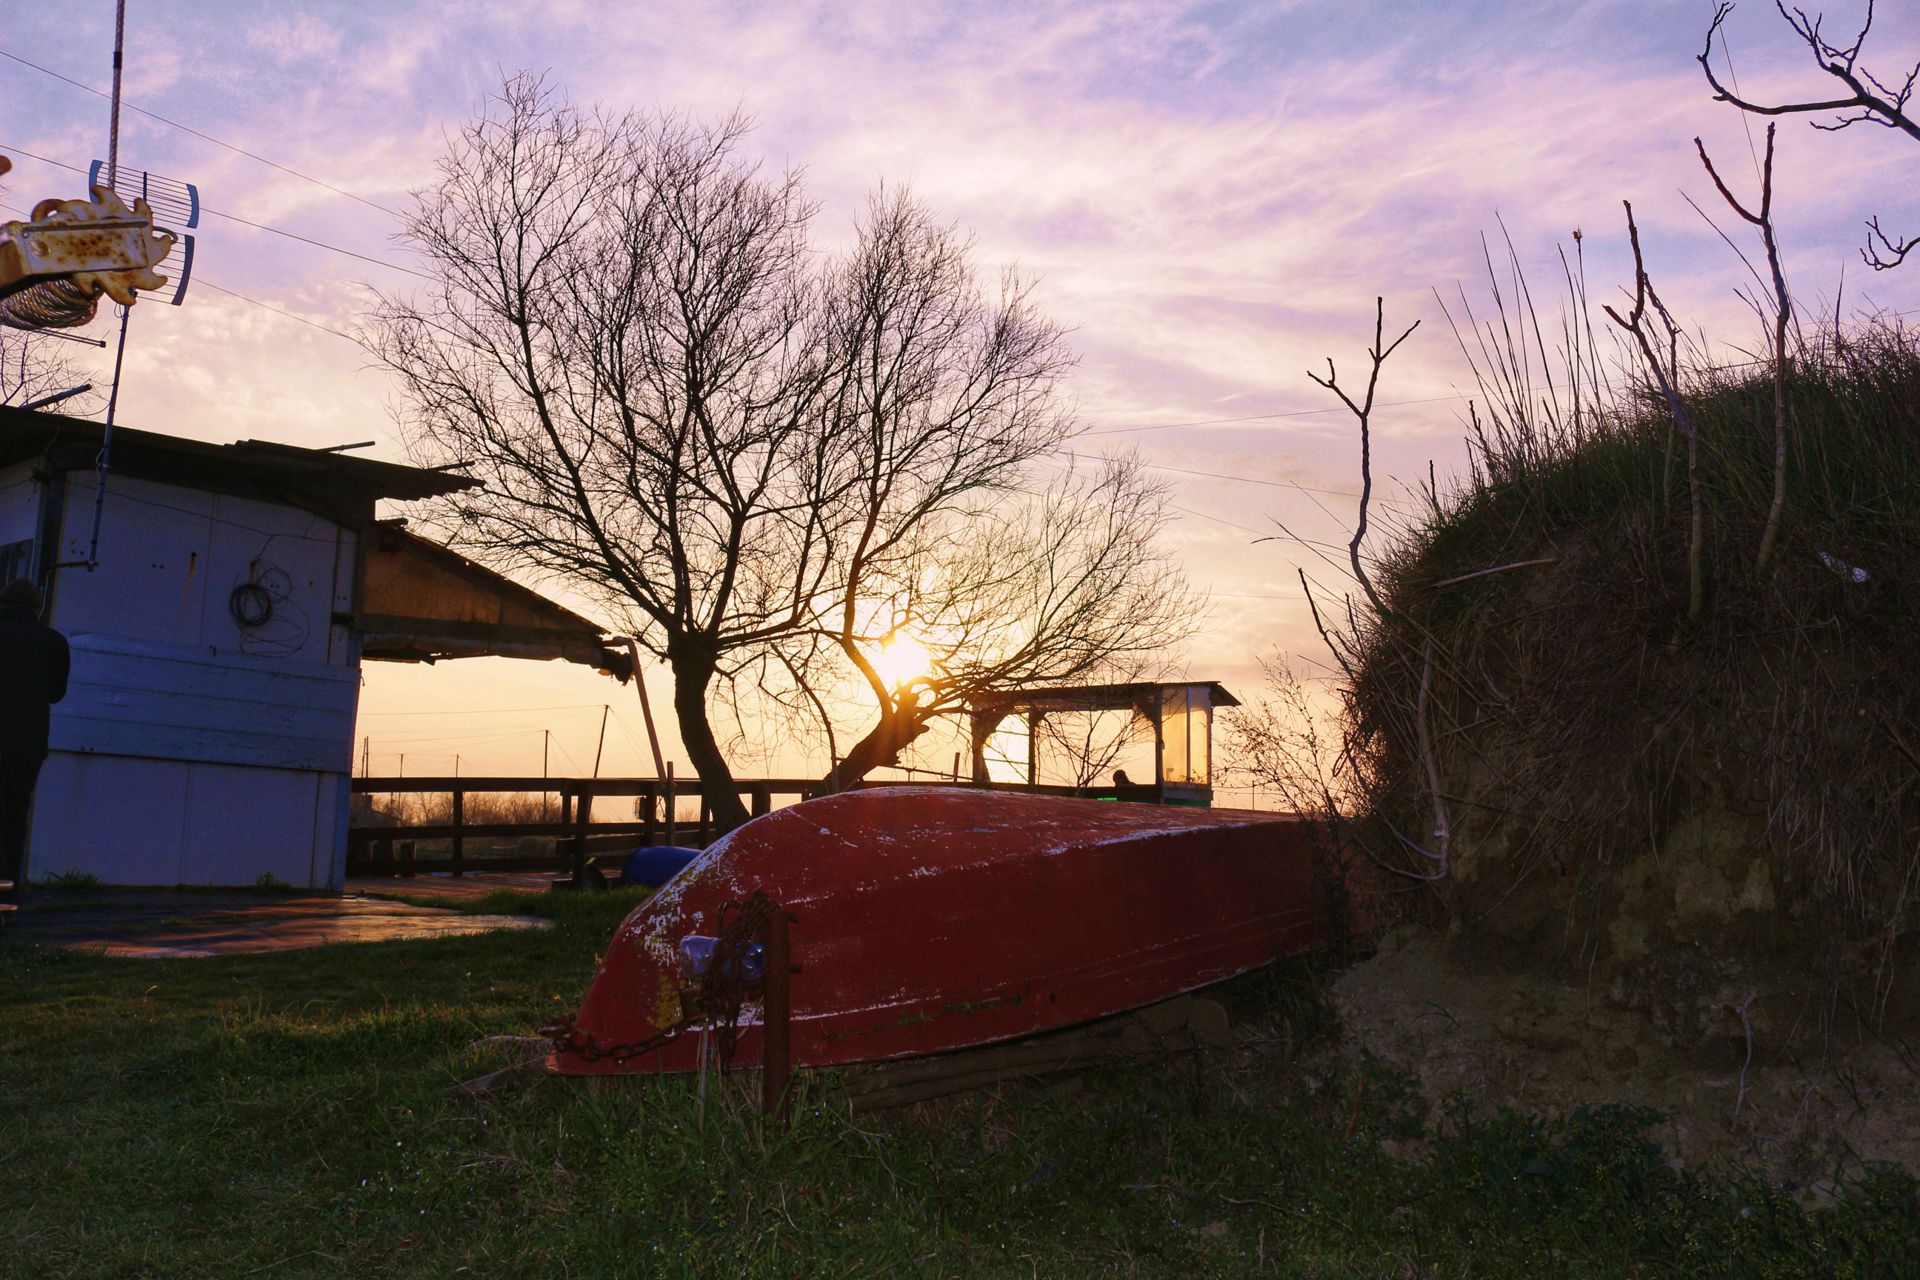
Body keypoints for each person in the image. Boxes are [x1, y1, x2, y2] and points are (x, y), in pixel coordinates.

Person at [0, 578, 69, 895]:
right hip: (27, 742)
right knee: (15, 816)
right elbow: (56, 694)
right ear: (37, 608)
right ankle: (7, 889)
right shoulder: (54, 642)